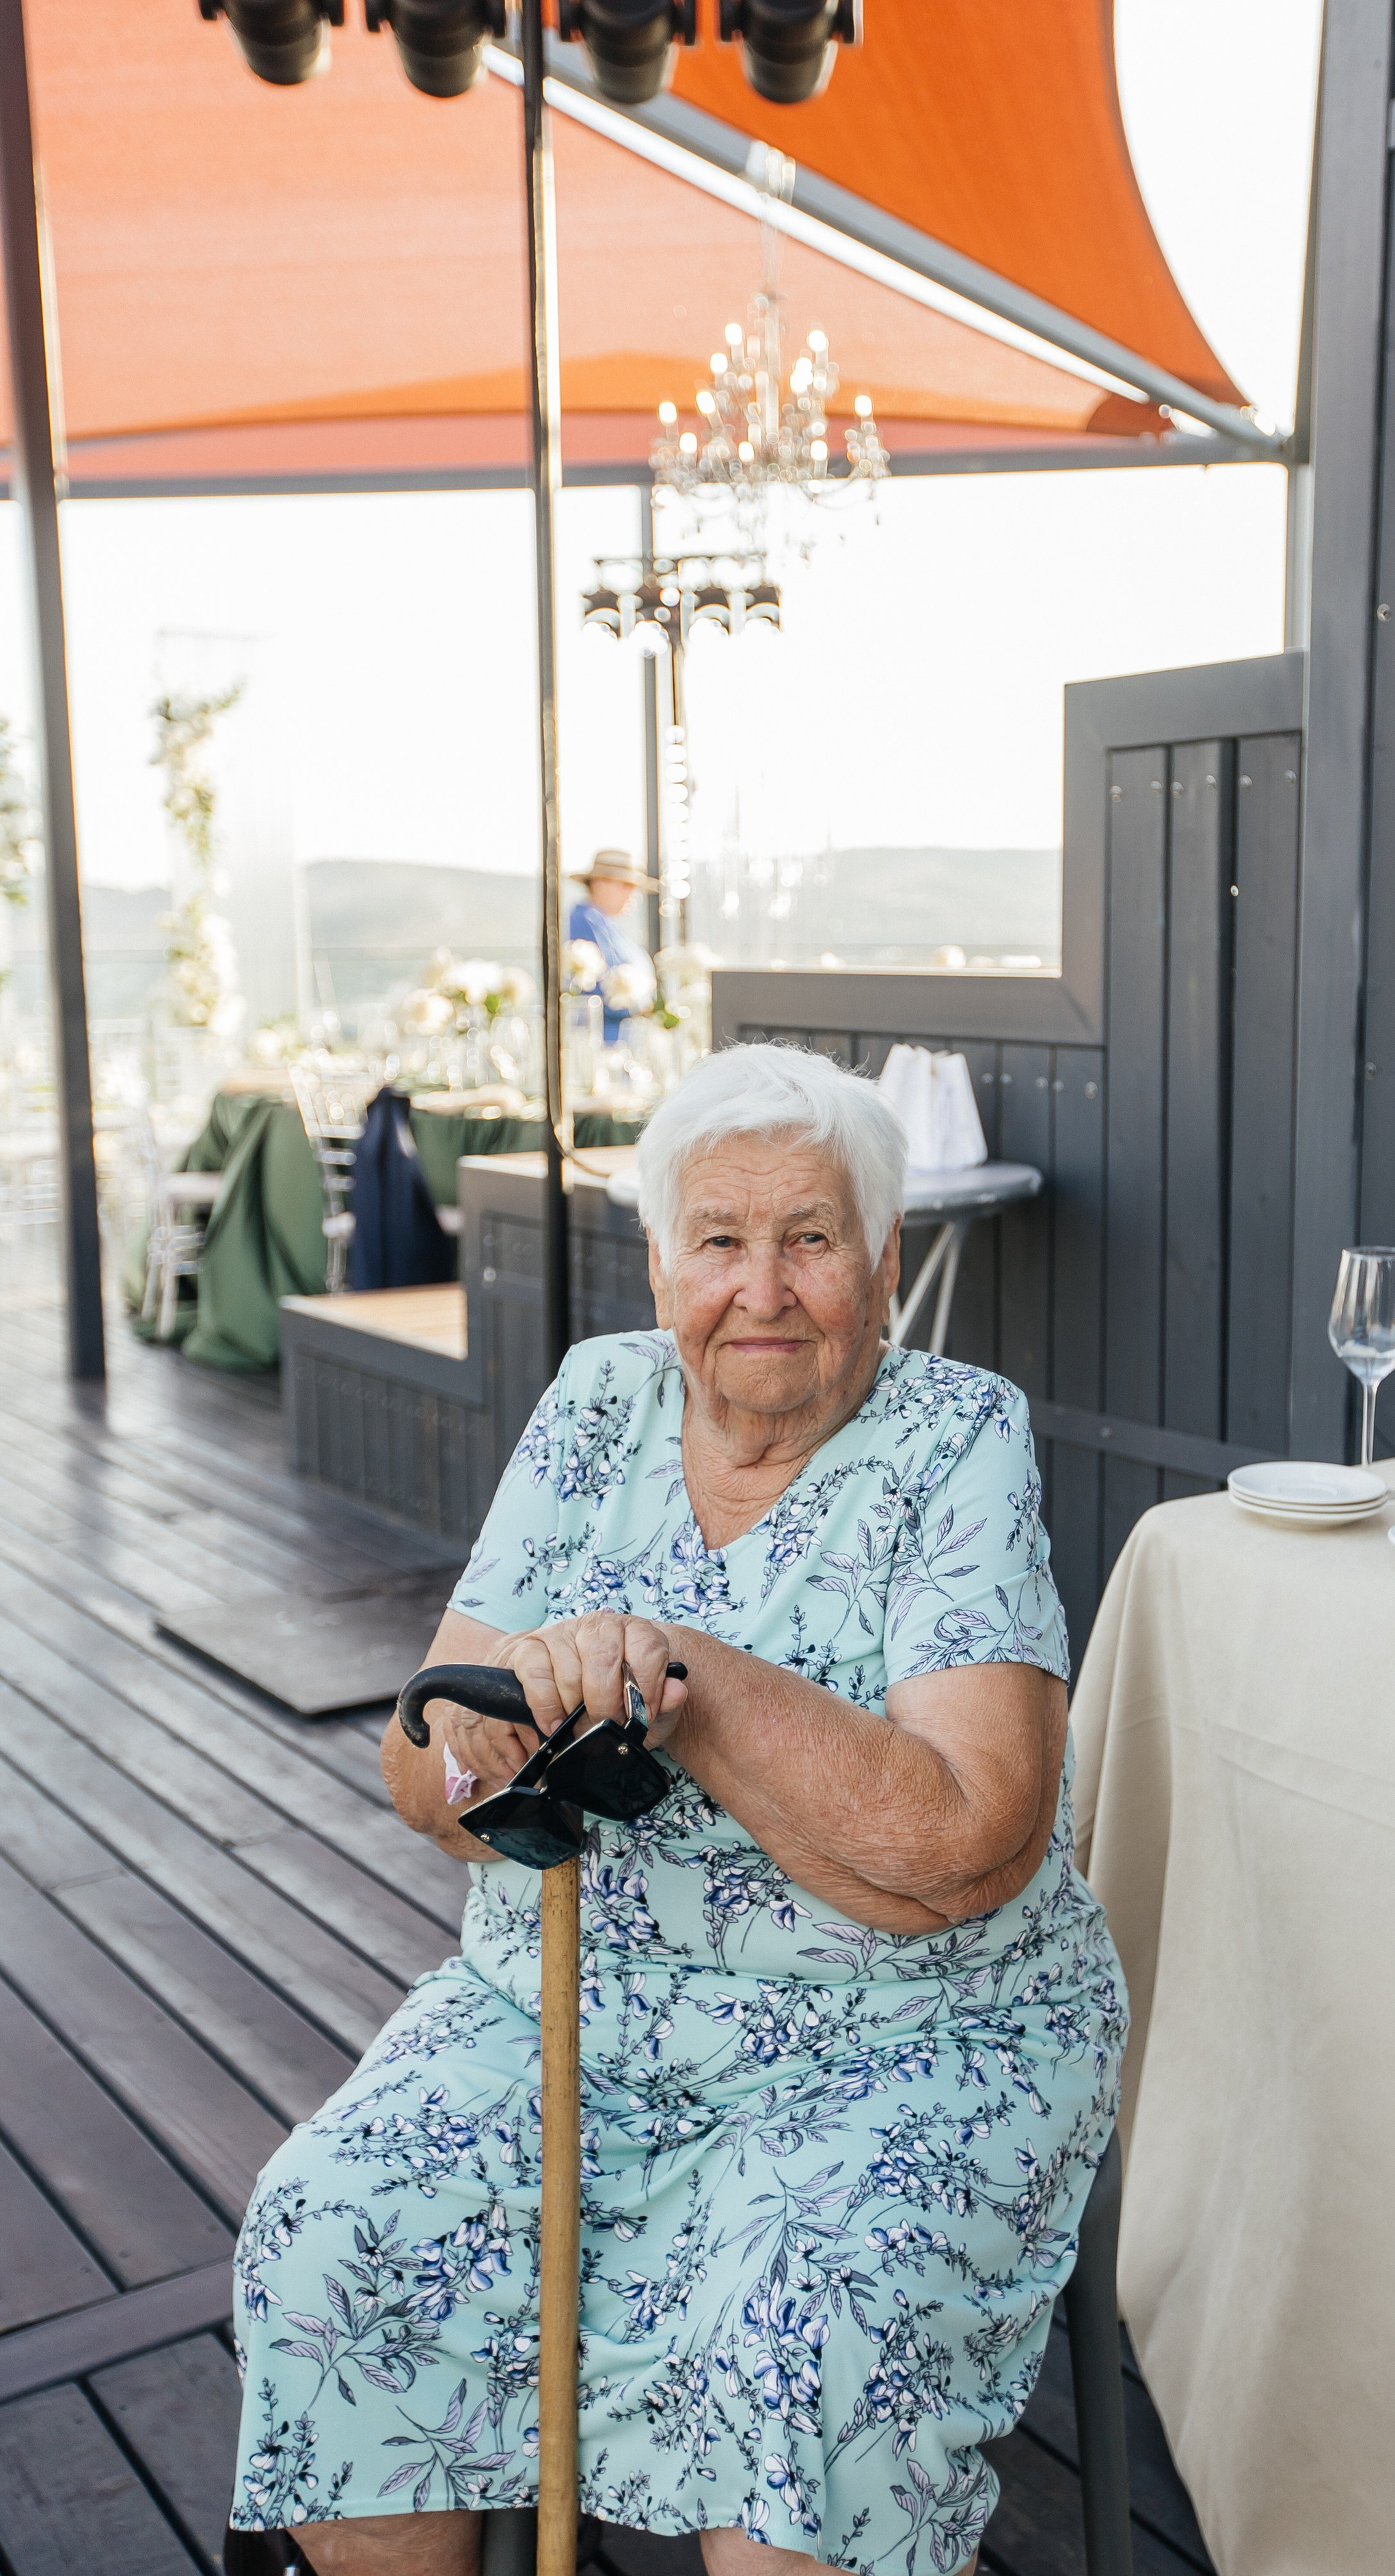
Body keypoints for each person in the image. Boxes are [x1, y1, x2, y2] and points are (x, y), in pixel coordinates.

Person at [228, 1043, 1126, 2576]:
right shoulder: (597, 1403)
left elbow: (971, 1839)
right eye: (717, 1240)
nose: (760, 1288)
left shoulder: (952, 1436)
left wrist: (688, 1682)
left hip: (907, 2041)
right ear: (658, 1266)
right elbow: (420, 1771)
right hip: (567, 2007)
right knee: (331, 2228)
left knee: (809, 2325)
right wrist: (498, 1745)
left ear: (885, 1263)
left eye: (811, 1238)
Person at [568, 845, 659, 1041]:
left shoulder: (607, 925)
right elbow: (602, 988)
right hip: (602, 1044)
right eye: (626, 886)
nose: (633, 895)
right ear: (599, 883)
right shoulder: (584, 922)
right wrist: (640, 1005)